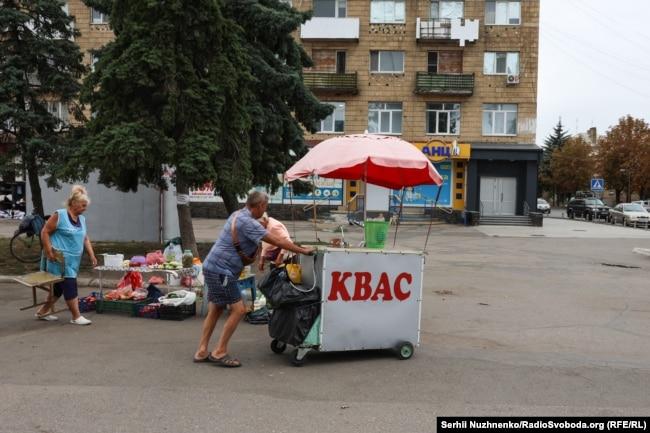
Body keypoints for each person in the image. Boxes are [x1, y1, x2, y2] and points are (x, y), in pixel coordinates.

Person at [194, 191, 314, 367]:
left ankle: (202, 350)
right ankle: (219, 352)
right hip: (222, 270)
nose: (265, 210)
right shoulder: (249, 223)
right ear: (259, 206)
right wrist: (302, 250)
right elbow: (278, 241)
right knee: (239, 310)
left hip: (213, 266)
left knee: (216, 308)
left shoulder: (237, 215)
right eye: (265, 207)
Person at [35, 185, 98, 325]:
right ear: (74, 204)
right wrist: (49, 251)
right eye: (83, 205)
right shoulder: (60, 215)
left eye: (85, 206)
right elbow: (44, 232)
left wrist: (92, 255)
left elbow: (85, 238)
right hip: (59, 259)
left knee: (57, 288)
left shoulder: (81, 219)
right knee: (69, 284)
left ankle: (42, 311)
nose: (85, 208)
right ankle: (76, 316)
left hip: (73, 261)